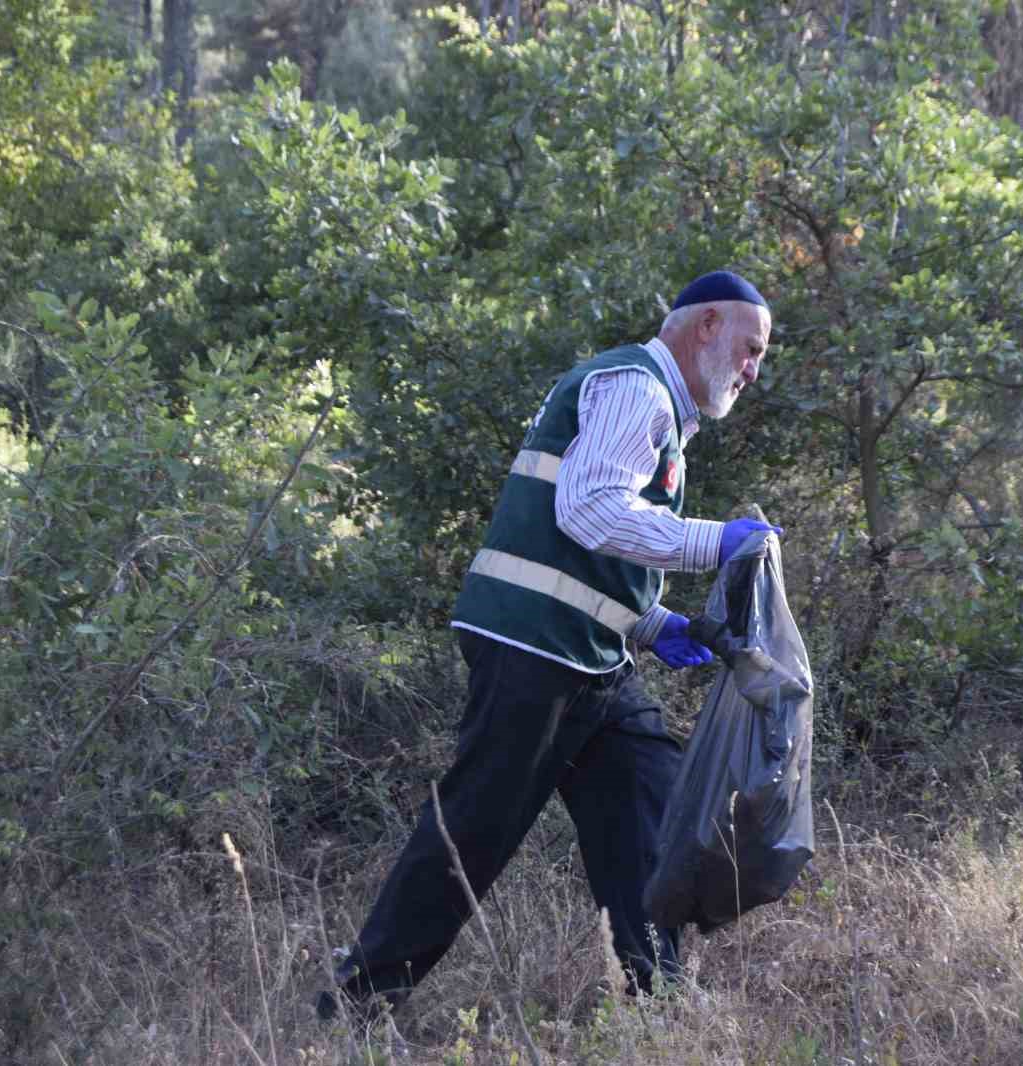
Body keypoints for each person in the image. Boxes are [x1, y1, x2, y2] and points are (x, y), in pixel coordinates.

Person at [318, 270, 780, 1022]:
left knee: (647, 802)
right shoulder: (639, 387)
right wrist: (715, 544)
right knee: (473, 830)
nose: (754, 368)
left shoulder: (656, 405)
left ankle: (656, 996)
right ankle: (355, 1006)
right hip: (533, 650)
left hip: (588, 655)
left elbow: (588, 550)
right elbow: (591, 510)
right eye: (751, 347)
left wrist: (657, 625)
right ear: (706, 326)